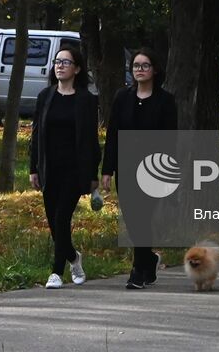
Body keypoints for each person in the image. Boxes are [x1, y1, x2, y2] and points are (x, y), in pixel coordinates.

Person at [100, 47, 178, 289]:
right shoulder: (122, 98)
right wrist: (107, 169)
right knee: (133, 218)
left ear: (154, 70)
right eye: (136, 66)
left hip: (153, 169)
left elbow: (170, 139)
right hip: (126, 166)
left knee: (143, 217)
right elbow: (113, 134)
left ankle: (138, 270)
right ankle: (149, 260)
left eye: (145, 65)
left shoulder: (166, 100)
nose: (139, 70)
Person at [29, 44, 101, 290]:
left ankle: (56, 272)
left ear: (77, 69)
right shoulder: (45, 97)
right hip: (50, 168)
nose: (59, 66)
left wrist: (93, 175)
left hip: (74, 169)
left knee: (62, 217)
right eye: (57, 62)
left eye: (65, 62)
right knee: (53, 224)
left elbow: (92, 140)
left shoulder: (86, 101)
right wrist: (33, 168)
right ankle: (74, 258)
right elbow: (36, 135)